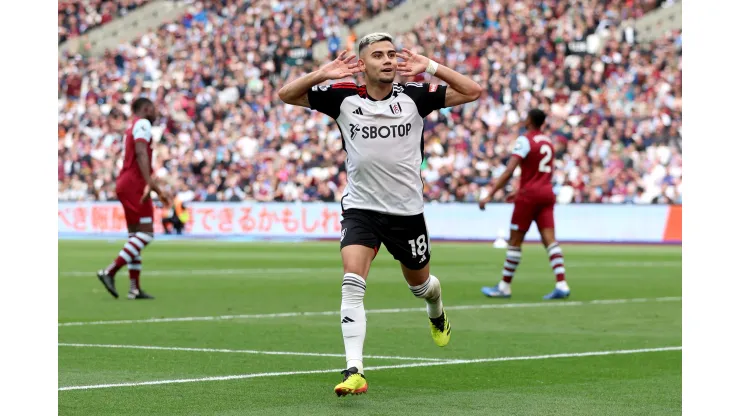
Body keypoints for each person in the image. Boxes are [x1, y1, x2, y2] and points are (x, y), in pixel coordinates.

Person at [278, 32, 482, 397]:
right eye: (379, 55)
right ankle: (354, 369)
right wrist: (321, 73)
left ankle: (436, 310)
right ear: (364, 64)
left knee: (421, 286)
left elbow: (473, 91)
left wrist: (431, 67)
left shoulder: (415, 96)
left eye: (391, 54)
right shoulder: (341, 97)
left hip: (406, 213)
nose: (388, 60)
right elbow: (286, 95)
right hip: (361, 209)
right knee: (352, 282)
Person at [478, 109, 571, 300]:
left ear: (529, 120)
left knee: (515, 242)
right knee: (550, 241)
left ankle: (504, 286)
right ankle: (562, 283)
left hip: (528, 198)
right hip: (546, 194)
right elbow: (538, 171)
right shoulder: (548, 142)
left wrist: (490, 194)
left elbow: (510, 170)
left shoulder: (524, 140)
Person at [96, 97, 171, 300]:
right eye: (153, 109)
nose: (156, 113)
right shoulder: (143, 124)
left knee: (135, 236)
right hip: (135, 184)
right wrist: (149, 183)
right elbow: (140, 153)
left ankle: (134, 288)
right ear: (146, 109)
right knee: (146, 235)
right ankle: (110, 271)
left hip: (127, 182)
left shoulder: (132, 127)